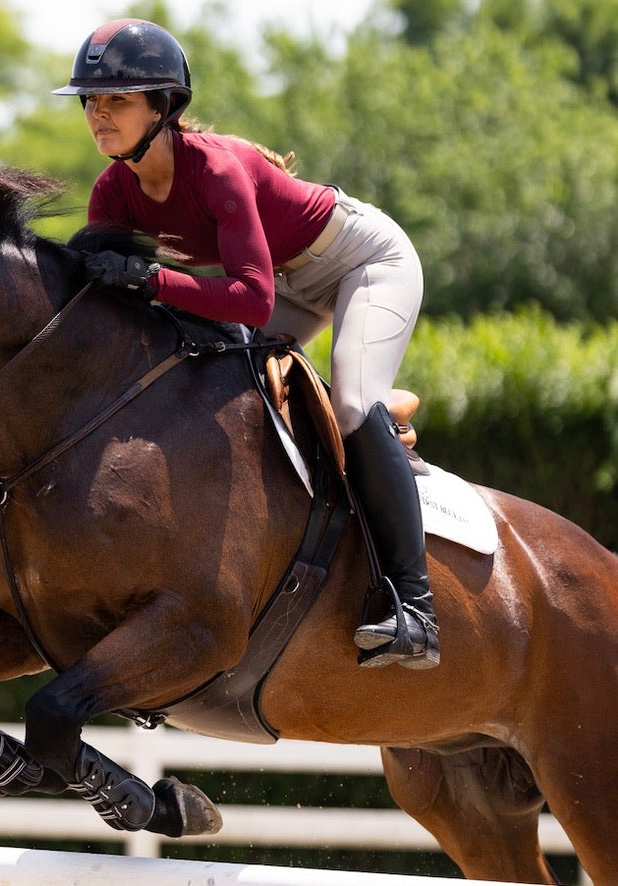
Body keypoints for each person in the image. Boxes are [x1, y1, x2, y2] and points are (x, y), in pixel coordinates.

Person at [53, 19, 438, 670]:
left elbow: (251, 301)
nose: (98, 114)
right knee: (213, 380)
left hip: (362, 262)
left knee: (350, 403)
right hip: (290, 277)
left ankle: (416, 611)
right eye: (91, 100)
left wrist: (151, 278)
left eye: (117, 99)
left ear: (164, 106)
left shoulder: (217, 171)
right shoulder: (112, 191)